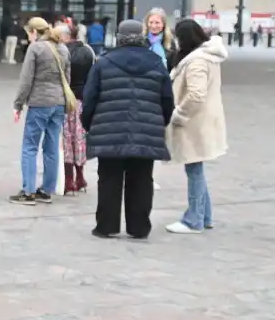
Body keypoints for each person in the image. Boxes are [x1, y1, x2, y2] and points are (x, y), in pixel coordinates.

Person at [82, 19, 174, 239]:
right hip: (146, 130)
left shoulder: (104, 63)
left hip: (109, 129)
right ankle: (139, 227)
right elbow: (167, 100)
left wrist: (90, 124)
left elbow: (90, 98)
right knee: (142, 180)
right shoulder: (156, 63)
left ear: (118, 37)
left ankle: (106, 226)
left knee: (108, 179)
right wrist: (159, 123)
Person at [165, 20, 228, 234]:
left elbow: (196, 95)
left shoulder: (197, 61)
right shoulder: (206, 56)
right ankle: (205, 215)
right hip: (202, 121)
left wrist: (179, 114)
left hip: (194, 122)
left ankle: (194, 219)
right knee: (196, 168)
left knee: (193, 169)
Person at [10, 17, 70, 205]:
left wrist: (18, 104)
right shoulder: (63, 48)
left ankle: (28, 192)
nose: (28, 37)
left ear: (34, 32)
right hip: (59, 103)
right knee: (51, 147)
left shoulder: (35, 48)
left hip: (39, 103)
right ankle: (46, 190)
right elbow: (67, 78)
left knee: (30, 147)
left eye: (29, 33)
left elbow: (26, 80)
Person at [59, 24, 94, 195]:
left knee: (66, 138)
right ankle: (80, 177)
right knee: (79, 138)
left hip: (65, 99)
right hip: (82, 98)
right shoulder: (88, 52)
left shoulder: (61, 52)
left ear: (65, 36)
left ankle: (68, 180)